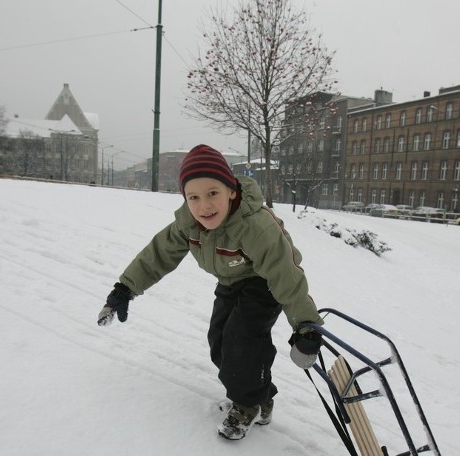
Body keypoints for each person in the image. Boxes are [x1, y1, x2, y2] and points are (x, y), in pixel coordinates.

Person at [98, 144, 323, 440]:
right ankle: (260, 395)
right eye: (194, 197)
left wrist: (306, 325)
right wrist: (124, 289)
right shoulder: (188, 226)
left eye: (212, 193)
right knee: (219, 341)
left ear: (230, 190)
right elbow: (157, 256)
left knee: (242, 340)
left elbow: (286, 276)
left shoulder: (255, 226)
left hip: (264, 284)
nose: (204, 206)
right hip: (230, 282)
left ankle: (248, 405)